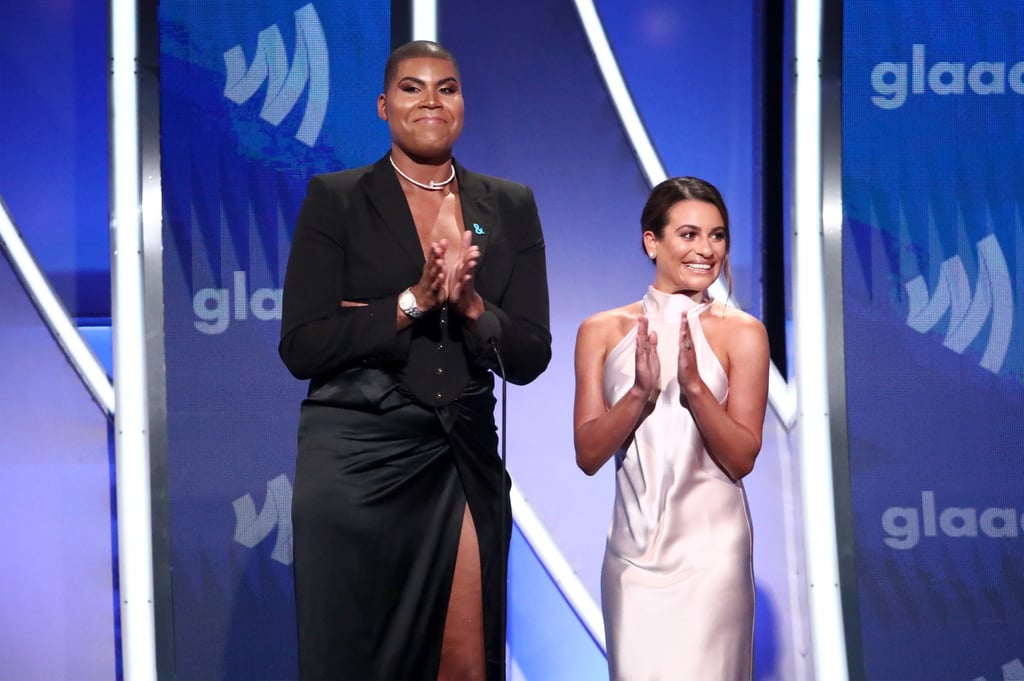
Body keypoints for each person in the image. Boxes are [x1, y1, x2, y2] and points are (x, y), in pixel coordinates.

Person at [279, 40, 551, 681]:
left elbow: (532, 352)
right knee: (355, 660)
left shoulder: (508, 206)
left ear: (462, 103)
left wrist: (474, 306)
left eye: (447, 88)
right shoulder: (338, 198)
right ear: (382, 105)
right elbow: (303, 344)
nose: (431, 99)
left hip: (459, 453)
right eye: (411, 87)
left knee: (464, 659)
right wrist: (413, 302)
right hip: (357, 454)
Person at [573, 177, 769, 680]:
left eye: (718, 236)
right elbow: (589, 453)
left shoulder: (743, 332)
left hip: (712, 558)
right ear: (652, 242)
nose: (706, 250)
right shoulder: (602, 330)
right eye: (689, 234)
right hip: (632, 559)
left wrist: (695, 389)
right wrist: (639, 392)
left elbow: (741, 457)